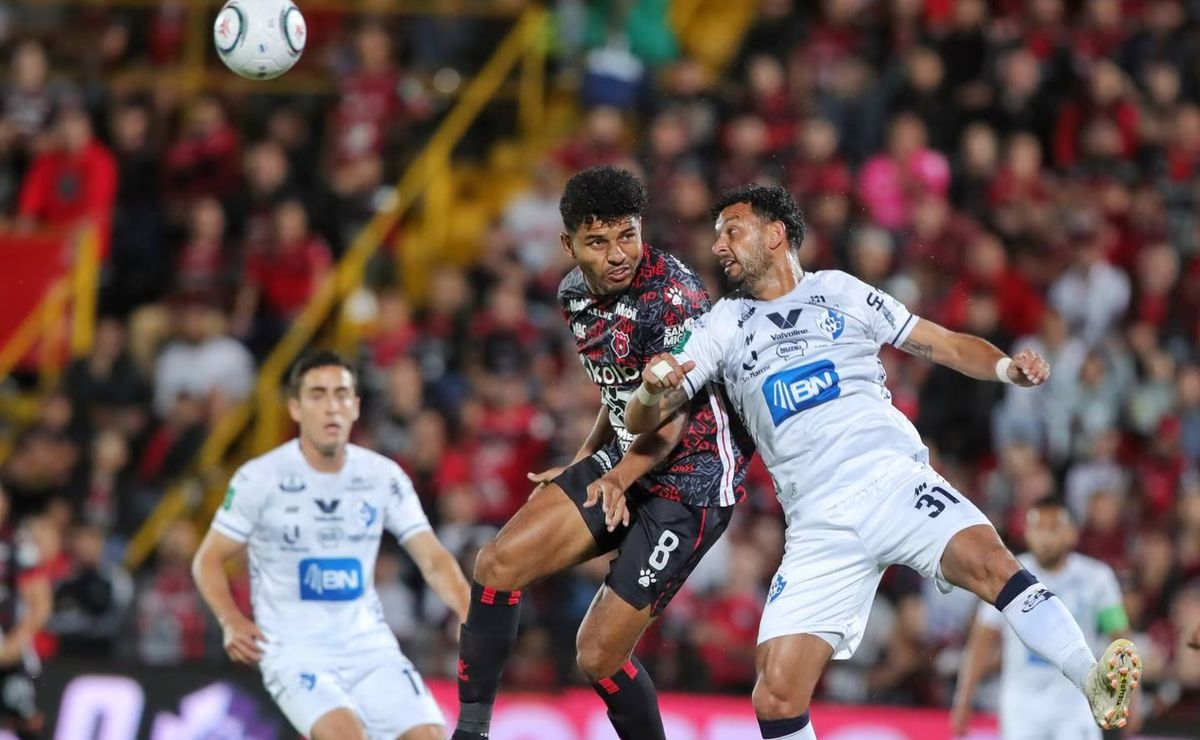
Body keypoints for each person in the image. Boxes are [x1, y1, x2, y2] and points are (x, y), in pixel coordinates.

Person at [626, 184, 1140, 740]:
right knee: (775, 695)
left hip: (893, 480)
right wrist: (652, 392)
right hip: (818, 523)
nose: (719, 245)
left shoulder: (840, 292)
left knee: (994, 564)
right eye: (716, 235)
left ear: (775, 235)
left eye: (732, 230)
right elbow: (641, 417)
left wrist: (1006, 370)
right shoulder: (721, 326)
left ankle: (1091, 679)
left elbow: (941, 343)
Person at [452, 166, 753, 740]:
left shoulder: (671, 296)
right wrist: (586, 455)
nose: (618, 254)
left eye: (628, 235)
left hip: (691, 483)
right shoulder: (573, 294)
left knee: (597, 655)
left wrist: (616, 475)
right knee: (496, 566)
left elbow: (669, 424)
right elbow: (615, 388)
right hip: (626, 457)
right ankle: (470, 732)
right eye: (598, 241)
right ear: (569, 245)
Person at [192, 350, 470, 740]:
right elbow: (208, 559)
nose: (331, 407)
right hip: (292, 649)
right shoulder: (260, 478)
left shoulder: (382, 476)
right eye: (318, 395)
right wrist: (231, 620)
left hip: (368, 645)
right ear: (295, 407)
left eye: (341, 395)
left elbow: (433, 558)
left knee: (429, 736)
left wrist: (466, 609)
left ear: (355, 408)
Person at [952, 496, 1130, 739]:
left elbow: (1120, 640)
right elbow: (982, 641)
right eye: (1037, 528)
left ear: (1071, 534)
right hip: (1022, 706)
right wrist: (964, 699)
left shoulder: (1097, 578)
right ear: (1027, 532)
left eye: (1053, 529)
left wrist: (1130, 698)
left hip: (1075, 704)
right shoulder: (1006, 575)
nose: (1044, 538)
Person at [0, 484, 51, 740]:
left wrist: (14, 643)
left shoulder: (18, 548)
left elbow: (41, 603)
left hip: (13, 656)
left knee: (29, 724)